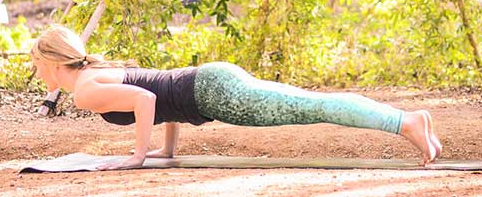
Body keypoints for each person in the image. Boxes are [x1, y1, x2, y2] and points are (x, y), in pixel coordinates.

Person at [29, 24, 443, 170]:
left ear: (51, 61)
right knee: (309, 101)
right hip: (210, 81)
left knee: (311, 106)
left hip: (215, 93)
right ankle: (408, 120)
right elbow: (159, 96)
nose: (36, 72)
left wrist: (138, 157)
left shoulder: (86, 90)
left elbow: (145, 102)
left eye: (36, 64)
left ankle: (404, 122)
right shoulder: (92, 76)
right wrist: (164, 151)